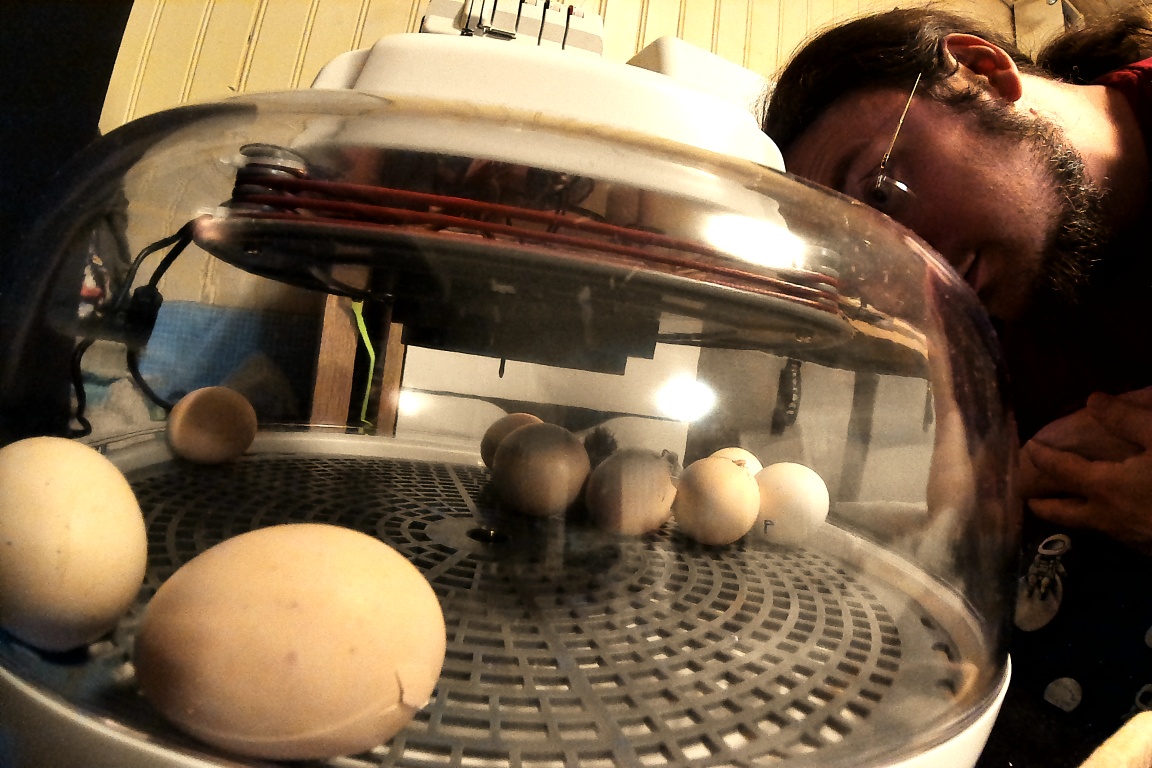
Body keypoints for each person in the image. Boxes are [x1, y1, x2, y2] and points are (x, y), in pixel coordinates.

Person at [763, 7, 1152, 767]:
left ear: (981, 71)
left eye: (881, 192)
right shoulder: (985, 294)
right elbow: (966, 521)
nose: (904, 267)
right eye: (859, 254)